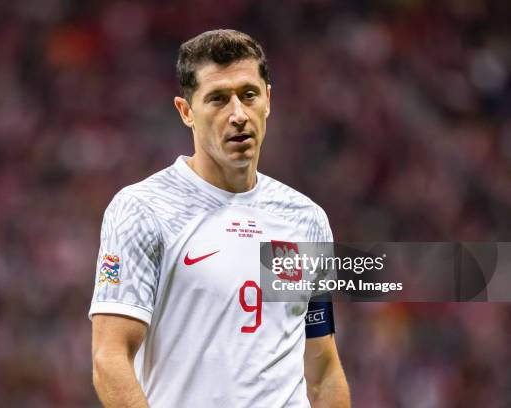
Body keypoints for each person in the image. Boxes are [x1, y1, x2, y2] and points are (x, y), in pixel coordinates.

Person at [89, 29, 350, 407]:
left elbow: (322, 369)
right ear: (186, 111)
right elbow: (109, 359)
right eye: (218, 99)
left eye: (248, 94)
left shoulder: (305, 219)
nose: (238, 115)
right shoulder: (144, 209)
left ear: (268, 100)